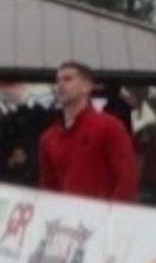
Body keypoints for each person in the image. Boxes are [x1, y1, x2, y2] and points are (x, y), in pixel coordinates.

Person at [38, 60, 138, 201]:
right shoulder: (48, 138)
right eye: (58, 80)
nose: (60, 85)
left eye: (68, 79)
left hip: (102, 219)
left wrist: (113, 218)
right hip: (64, 219)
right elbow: (48, 189)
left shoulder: (110, 127)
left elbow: (127, 177)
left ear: (86, 86)